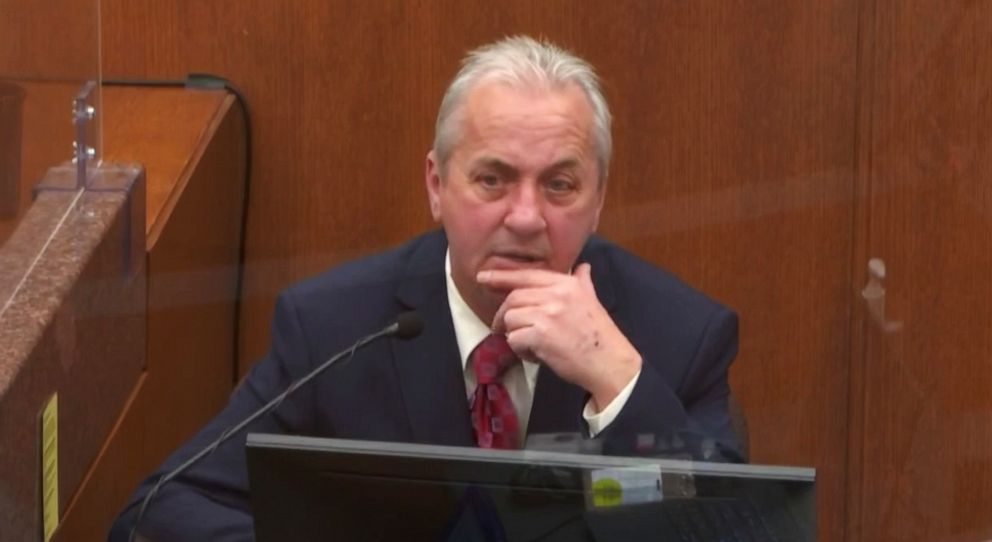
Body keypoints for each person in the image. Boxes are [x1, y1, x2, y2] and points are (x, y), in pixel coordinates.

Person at [109, 35, 740, 541]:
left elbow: (736, 531)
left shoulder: (678, 336)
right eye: (493, 180)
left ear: (599, 198)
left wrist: (618, 381)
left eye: (560, 185)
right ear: (437, 185)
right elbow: (160, 512)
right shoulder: (335, 327)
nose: (525, 217)